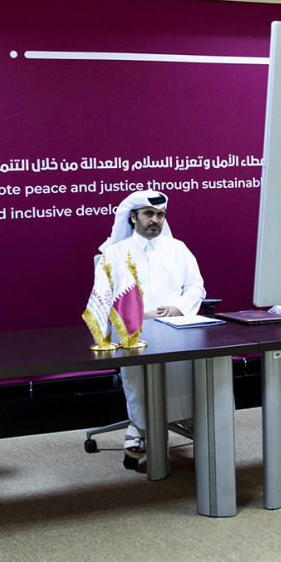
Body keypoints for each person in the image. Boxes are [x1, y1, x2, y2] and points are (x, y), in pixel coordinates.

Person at [85, 190, 205, 461]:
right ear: (133, 217)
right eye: (149, 214)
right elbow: (101, 301)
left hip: (176, 326)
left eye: (161, 215)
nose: (156, 220)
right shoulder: (114, 254)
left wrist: (178, 308)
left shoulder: (179, 248)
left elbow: (196, 287)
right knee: (140, 366)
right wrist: (137, 315)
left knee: (184, 369)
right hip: (132, 331)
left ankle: (186, 417)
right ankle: (139, 424)